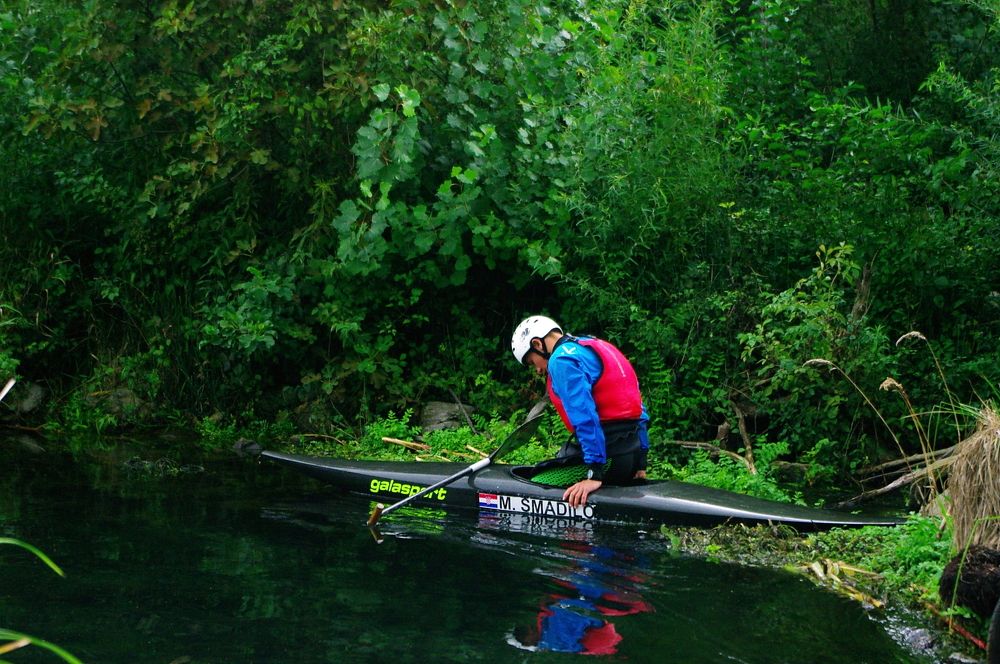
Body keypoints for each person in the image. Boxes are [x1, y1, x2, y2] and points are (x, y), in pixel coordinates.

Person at [510, 315, 650, 508]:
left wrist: (594, 474)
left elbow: (584, 417)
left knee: (537, 483)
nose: (538, 370)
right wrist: (640, 462)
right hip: (630, 454)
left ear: (538, 344)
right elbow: (639, 411)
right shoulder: (594, 345)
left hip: (609, 459)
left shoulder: (562, 360)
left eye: (532, 362)